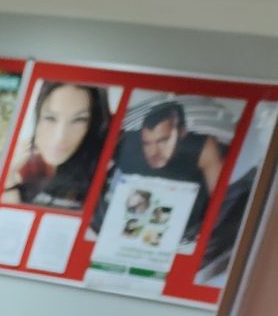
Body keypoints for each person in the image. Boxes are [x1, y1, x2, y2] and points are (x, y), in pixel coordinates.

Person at [94, 98, 225, 242]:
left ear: (182, 132)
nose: (154, 151)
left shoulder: (202, 147)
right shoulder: (126, 142)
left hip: (186, 233)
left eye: (163, 140)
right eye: (147, 143)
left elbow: (223, 204)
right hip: (128, 230)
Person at [6, 80, 112, 210]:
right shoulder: (26, 166)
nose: (60, 137)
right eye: (50, 118)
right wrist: (9, 175)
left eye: (79, 120)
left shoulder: (100, 175)